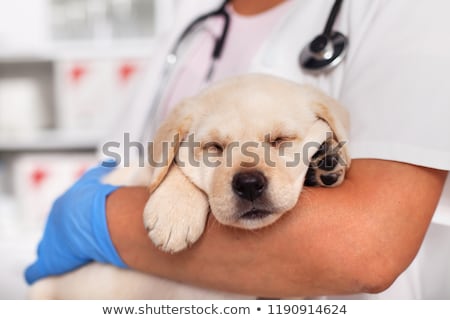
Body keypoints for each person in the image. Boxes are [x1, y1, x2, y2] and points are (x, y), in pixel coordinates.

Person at [25, 0, 450, 299]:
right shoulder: (191, 17)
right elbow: (138, 162)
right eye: (216, 147)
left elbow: (366, 250)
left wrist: (99, 221)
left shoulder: (407, 9)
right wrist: (171, 180)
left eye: (280, 141)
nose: (248, 172)